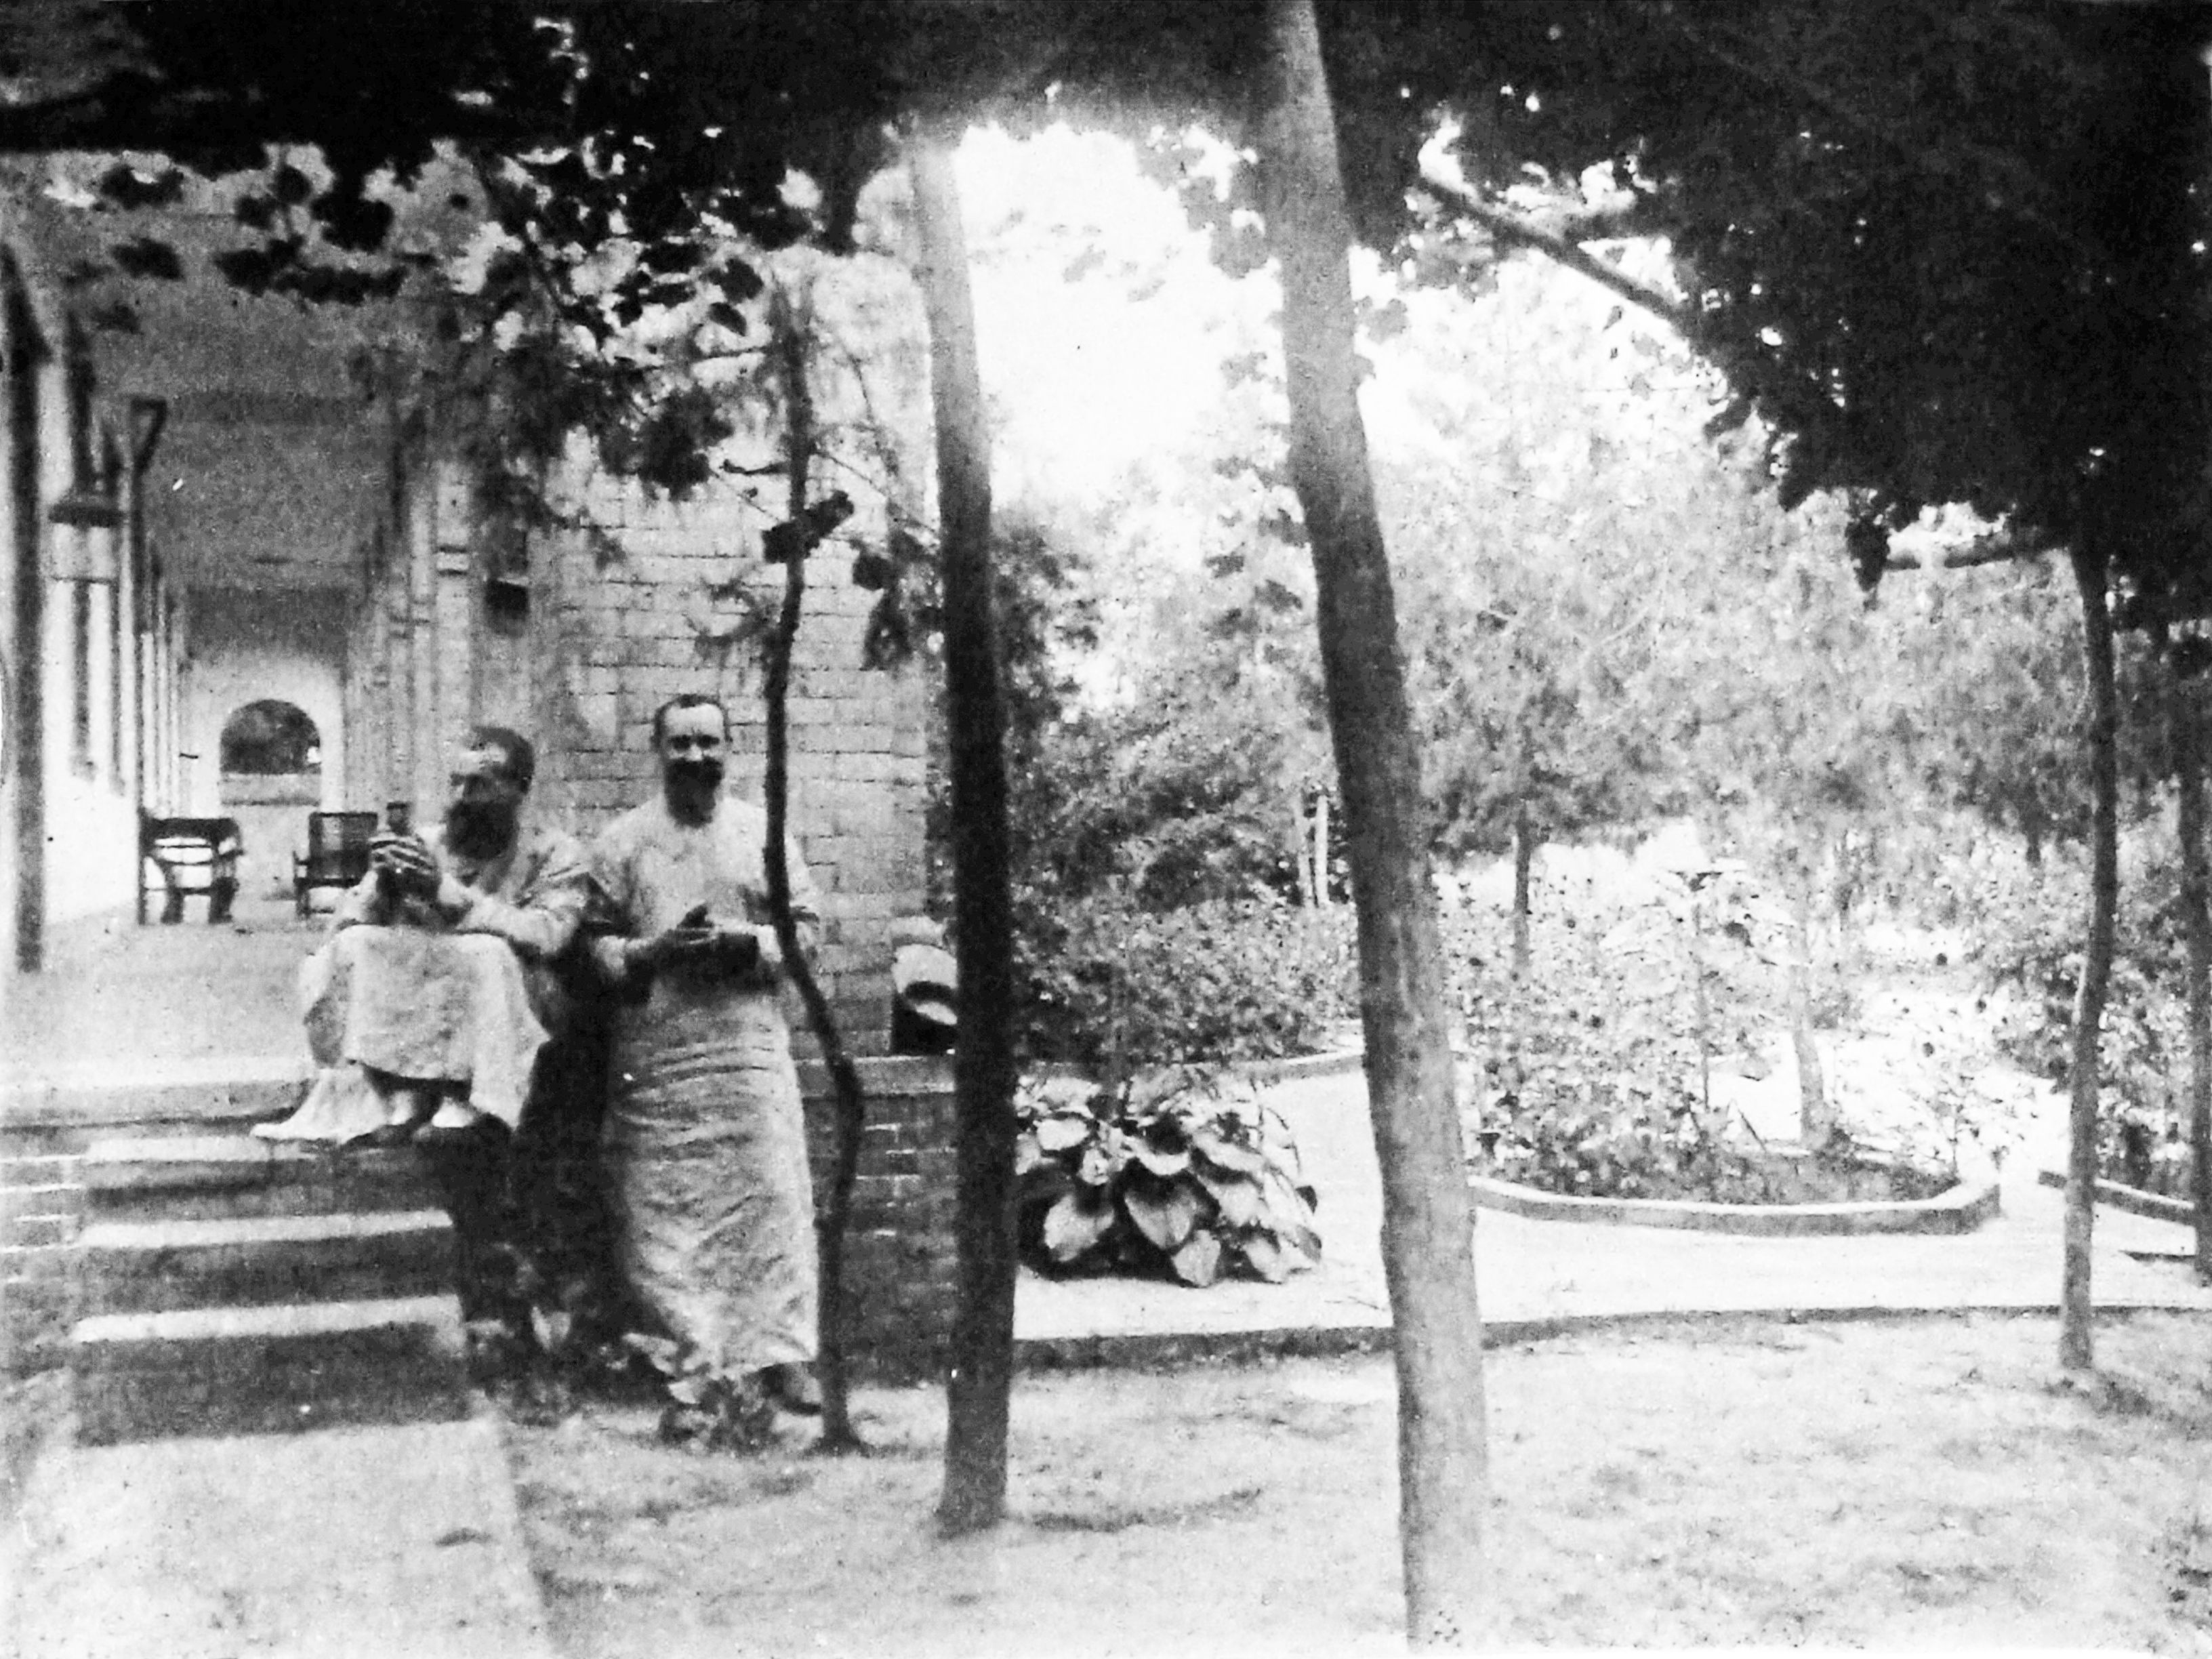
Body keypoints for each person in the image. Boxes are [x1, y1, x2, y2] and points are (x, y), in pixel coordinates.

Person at [584, 693, 823, 1416]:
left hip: (746, 1053)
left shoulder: (763, 835)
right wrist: (653, 951)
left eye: (708, 743)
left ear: (729, 750)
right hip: (659, 1059)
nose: (695, 756)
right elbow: (594, 949)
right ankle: (699, 1357)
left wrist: (744, 944)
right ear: (657, 751)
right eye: (680, 743)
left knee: (771, 1202)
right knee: (667, 1215)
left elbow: (808, 934)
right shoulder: (622, 843)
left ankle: (783, 1356)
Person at [256, 726, 590, 1147]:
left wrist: (444, 892)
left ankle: (475, 1103)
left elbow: (549, 935)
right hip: (428, 999)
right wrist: (381, 891)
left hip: (522, 1002)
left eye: (479, 785)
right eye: (455, 783)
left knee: (485, 951)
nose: (460, 798)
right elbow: (343, 926)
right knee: (357, 944)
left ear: (518, 790)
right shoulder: (426, 844)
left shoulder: (557, 853)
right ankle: (397, 1096)